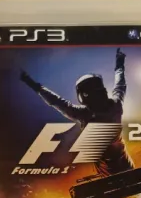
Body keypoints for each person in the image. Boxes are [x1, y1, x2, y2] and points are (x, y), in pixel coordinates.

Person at [20, 48, 134, 177]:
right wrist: (119, 63)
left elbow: (57, 102)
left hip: (107, 171)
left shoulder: (84, 114)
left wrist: (33, 84)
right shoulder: (115, 104)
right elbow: (120, 84)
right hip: (125, 164)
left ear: (84, 95)